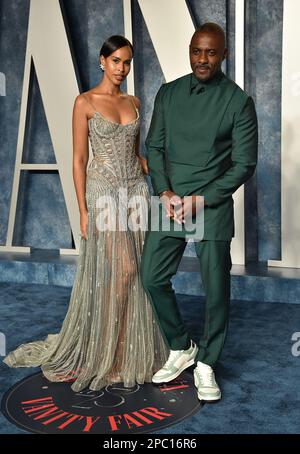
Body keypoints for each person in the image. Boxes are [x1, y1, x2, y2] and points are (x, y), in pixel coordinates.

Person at [3, 35, 168, 392]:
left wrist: (170, 168)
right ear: (101, 61)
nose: (122, 68)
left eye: (127, 62)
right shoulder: (85, 102)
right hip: (103, 193)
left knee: (137, 272)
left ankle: (126, 351)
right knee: (120, 271)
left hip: (136, 194)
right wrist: (82, 209)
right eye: (116, 61)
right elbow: (79, 160)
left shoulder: (135, 101)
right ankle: (104, 353)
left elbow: (136, 156)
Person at [141, 23, 258, 401]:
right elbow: (154, 147)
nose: (202, 59)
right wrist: (165, 191)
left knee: (216, 289)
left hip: (211, 203)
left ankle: (207, 362)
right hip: (170, 199)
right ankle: (181, 346)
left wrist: (202, 198)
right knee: (151, 277)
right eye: (196, 51)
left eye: (210, 52)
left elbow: (244, 164)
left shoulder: (238, 101)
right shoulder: (169, 92)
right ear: (190, 51)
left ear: (223, 55)